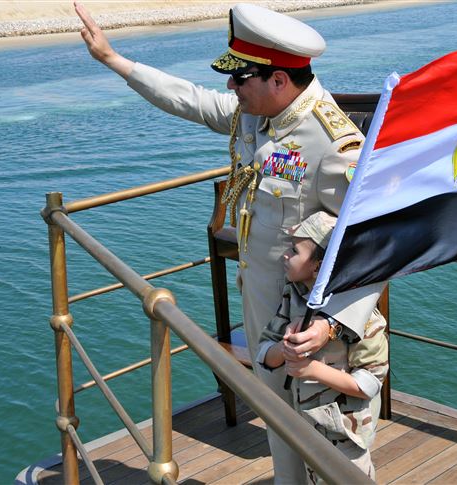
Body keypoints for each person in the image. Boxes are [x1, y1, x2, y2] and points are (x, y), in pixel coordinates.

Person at [75, 2, 386, 482]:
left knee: (330, 432)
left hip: (312, 320)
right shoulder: (255, 115)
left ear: (278, 80)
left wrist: (330, 325)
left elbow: (373, 243)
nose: (230, 88)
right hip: (262, 301)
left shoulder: (334, 144)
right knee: (276, 412)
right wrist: (114, 60)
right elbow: (190, 100)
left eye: (240, 78)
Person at [257, 211, 389, 483]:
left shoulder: (364, 318)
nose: (285, 255)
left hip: (346, 435)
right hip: (308, 427)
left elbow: (370, 383)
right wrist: (284, 349)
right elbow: (264, 352)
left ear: (318, 267)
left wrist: (312, 370)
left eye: (294, 251)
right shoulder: (293, 296)